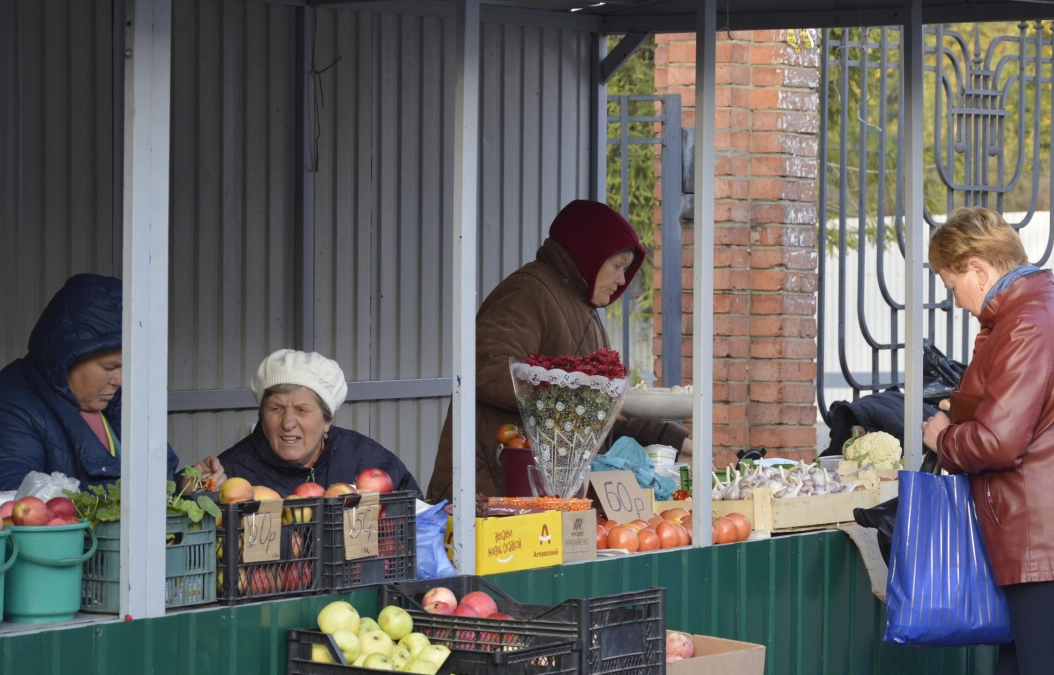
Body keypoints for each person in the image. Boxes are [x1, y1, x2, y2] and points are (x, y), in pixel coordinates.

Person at [919, 208, 1054, 675]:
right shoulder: (1053, 310)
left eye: (953, 286)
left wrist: (943, 436)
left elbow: (997, 442)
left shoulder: (1027, 324)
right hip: (1052, 541)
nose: (959, 302)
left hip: (1045, 545)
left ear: (978, 268)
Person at [427, 199, 692, 501]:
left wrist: (672, 439)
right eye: (617, 266)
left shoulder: (585, 311)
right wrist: (573, 394)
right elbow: (484, 370)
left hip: (543, 495)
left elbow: (596, 418)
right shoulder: (528, 292)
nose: (622, 280)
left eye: (625, 269)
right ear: (588, 253)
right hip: (490, 489)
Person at [0, 273, 197, 490]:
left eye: (126, 366)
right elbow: (18, 502)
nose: (120, 380)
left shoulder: (115, 401)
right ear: (66, 357)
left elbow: (152, 484)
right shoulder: (11, 406)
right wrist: (132, 498)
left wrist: (184, 485)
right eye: (109, 367)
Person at [205, 349, 420, 497]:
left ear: (327, 421)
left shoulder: (367, 460)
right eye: (276, 409)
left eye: (302, 410)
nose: (288, 423)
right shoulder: (232, 473)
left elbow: (418, 524)